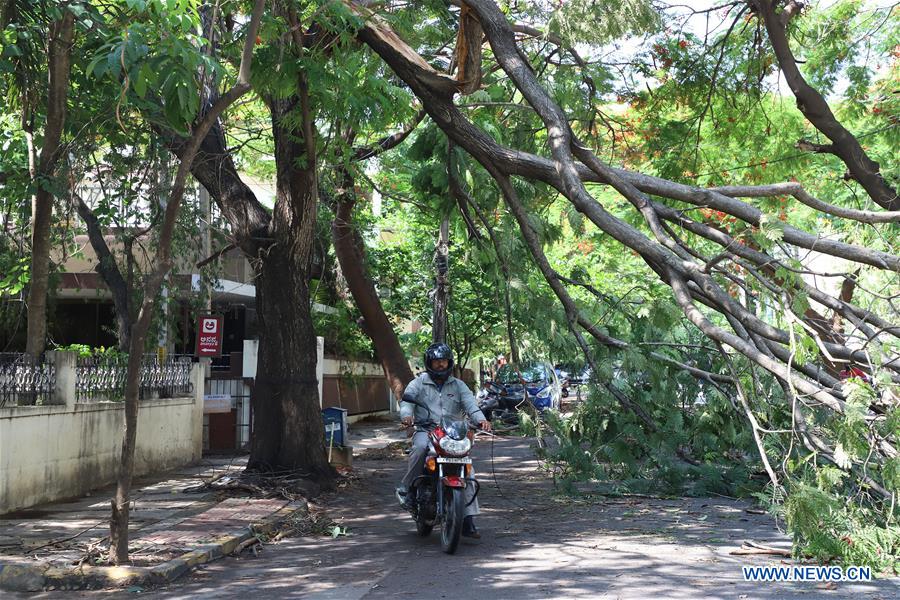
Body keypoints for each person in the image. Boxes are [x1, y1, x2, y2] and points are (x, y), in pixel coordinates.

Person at [396, 342, 492, 538]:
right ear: (429, 363)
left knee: (468, 469)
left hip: (452, 434)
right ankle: (407, 489)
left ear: (449, 363)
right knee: (421, 448)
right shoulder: (418, 383)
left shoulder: (459, 385)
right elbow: (407, 402)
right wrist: (406, 416)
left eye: (444, 361)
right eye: (437, 361)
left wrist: (481, 420)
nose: (441, 365)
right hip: (426, 429)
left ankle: (467, 520)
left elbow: (471, 406)